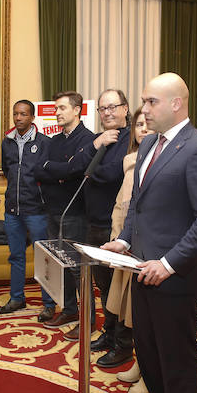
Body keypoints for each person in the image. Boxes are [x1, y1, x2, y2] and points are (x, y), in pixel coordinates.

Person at [101, 73, 197, 393]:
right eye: (143, 101)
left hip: (176, 276)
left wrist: (169, 263)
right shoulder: (150, 144)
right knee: (148, 348)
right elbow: (139, 205)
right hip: (141, 267)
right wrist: (124, 241)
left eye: (151, 102)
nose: (143, 109)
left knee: (177, 355)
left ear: (176, 104)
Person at [63, 89, 131, 361]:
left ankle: (123, 345)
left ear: (125, 109)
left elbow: (109, 173)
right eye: (103, 109)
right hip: (93, 222)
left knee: (119, 289)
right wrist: (94, 149)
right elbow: (74, 164)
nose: (107, 113)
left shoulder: (130, 139)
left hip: (115, 228)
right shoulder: (100, 138)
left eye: (113, 107)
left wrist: (88, 168)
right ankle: (109, 332)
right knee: (103, 285)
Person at [33, 92, 95, 329]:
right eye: (55, 109)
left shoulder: (87, 139)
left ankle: (88, 320)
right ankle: (69, 310)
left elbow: (75, 171)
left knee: (78, 270)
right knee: (60, 265)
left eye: (61, 108)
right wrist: (60, 170)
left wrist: (58, 170)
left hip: (76, 213)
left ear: (77, 110)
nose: (56, 113)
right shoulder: (53, 141)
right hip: (53, 211)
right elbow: (38, 170)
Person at [107, 108, 152, 393]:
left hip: (144, 251)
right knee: (131, 313)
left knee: (144, 317)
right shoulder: (130, 163)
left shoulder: (152, 163)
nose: (143, 129)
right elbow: (122, 208)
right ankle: (140, 363)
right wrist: (118, 238)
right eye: (138, 124)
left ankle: (149, 372)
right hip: (126, 246)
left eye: (148, 124)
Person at [0, 100, 55, 317]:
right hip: (13, 209)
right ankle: (16, 298)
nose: (18, 118)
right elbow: (7, 170)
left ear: (32, 117)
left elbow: (49, 174)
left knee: (43, 257)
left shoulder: (44, 142)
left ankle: (49, 305)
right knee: (16, 256)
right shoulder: (7, 142)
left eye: (23, 114)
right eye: (15, 114)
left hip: (37, 210)